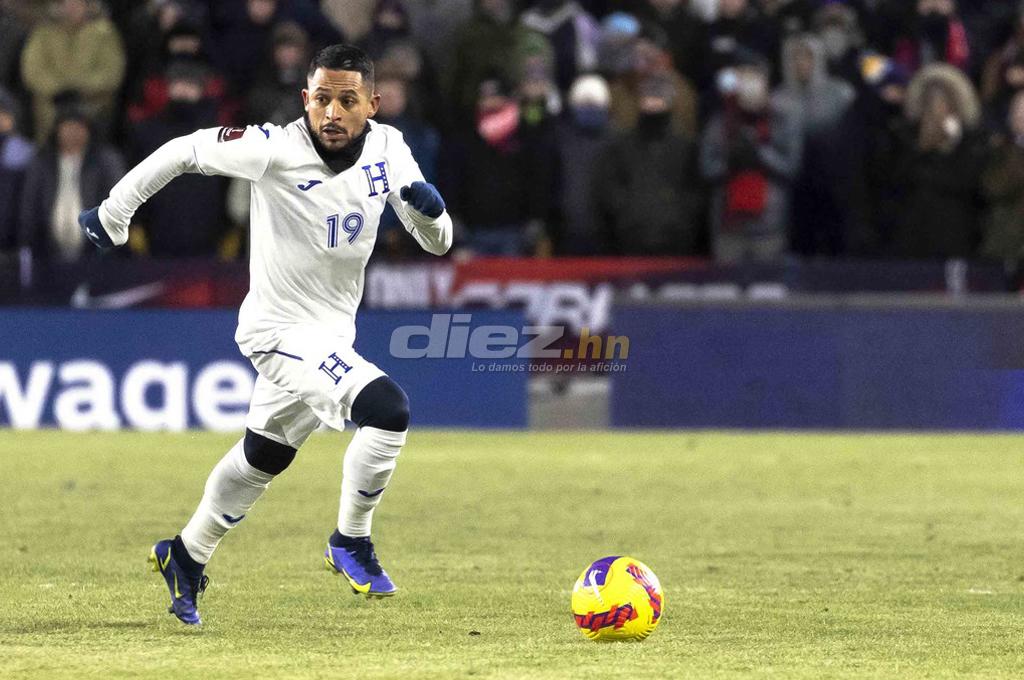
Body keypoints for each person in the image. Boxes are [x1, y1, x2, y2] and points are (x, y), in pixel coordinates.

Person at [77, 44, 452, 625]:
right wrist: (111, 213)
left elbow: (438, 243)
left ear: (371, 106)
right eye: (322, 99)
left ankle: (185, 553)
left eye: (346, 101)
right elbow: (183, 151)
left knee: (264, 455)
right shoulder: (273, 148)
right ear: (306, 98)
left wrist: (431, 214)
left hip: (332, 334)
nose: (332, 113)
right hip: (277, 331)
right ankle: (351, 541)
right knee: (388, 410)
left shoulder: (390, 149)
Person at [20, 102, 124, 263]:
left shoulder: (105, 161)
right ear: (57, 130)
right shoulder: (42, 162)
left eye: (79, 128)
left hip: (96, 254)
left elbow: (118, 203)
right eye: (67, 127)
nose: (72, 133)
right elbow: (29, 207)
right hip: (47, 254)